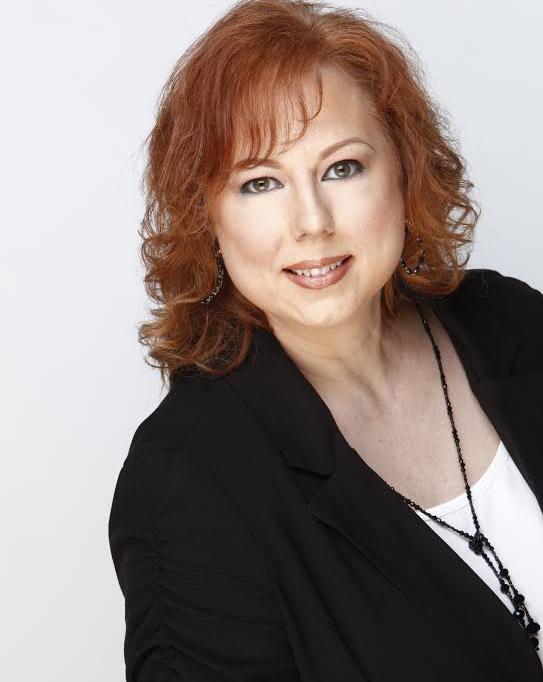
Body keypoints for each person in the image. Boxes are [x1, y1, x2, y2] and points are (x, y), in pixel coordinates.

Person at [108, 0, 543, 679]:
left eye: (342, 168)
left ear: (403, 171)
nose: (311, 221)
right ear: (206, 217)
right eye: (259, 183)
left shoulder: (511, 321)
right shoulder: (186, 479)